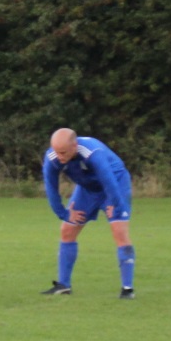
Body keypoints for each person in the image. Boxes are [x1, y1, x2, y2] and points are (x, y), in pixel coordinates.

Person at [41, 128, 136, 299]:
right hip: (88, 190)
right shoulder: (52, 157)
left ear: (74, 146)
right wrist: (64, 214)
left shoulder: (92, 152)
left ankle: (127, 289)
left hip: (116, 184)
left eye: (63, 152)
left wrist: (116, 204)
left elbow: (108, 180)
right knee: (67, 230)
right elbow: (51, 188)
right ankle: (64, 285)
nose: (59, 156)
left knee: (119, 232)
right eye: (56, 151)